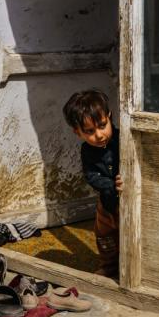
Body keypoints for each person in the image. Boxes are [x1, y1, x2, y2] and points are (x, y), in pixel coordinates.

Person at [62, 89, 122, 278]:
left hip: (127, 202)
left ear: (109, 117)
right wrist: (111, 185)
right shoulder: (87, 151)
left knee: (128, 232)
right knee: (104, 236)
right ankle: (109, 265)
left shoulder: (123, 140)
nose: (99, 135)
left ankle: (130, 264)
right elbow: (91, 175)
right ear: (77, 132)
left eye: (103, 125)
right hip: (106, 202)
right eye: (89, 131)